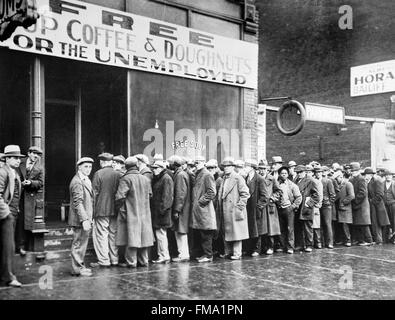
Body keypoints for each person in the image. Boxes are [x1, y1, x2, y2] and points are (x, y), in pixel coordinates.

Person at [115, 157, 154, 267]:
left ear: (126, 166)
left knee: (131, 237)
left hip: (130, 213)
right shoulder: (145, 179)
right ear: (137, 165)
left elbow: (119, 197)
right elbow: (150, 195)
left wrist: (121, 210)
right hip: (144, 213)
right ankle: (144, 261)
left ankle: (131, 262)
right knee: (144, 237)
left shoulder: (125, 179)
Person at [0, 145, 25, 287]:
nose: (18, 161)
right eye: (15, 158)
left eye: (19, 158)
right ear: (7, 158)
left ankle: (6, 275)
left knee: (7, 246)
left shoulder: (13, 172)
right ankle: (9, 278)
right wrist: (7, 214)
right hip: (5, 215)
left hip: (13, 213)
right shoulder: (3, 172)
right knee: (8, 247)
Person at [90, 153, 121, 268]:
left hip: (102, 209)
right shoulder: (118, 174)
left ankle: (104, 260)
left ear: (102, 162)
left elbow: (94, 194)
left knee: (101, 235)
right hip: (115, 209)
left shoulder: (98, 173)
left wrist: (92, 213)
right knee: (113, 235)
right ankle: (114, 259)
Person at [217, 157, 250, 260]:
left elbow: (245, 194)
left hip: (234, 209)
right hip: (225, 209)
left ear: (232, 167)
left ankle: (237, 253)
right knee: (226, 231)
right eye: (224, 166)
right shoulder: (223, 178)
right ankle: (228, 252)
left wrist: (239, 207)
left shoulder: (238, 178)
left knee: (236, 232)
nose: (226, 168)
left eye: (228, 166)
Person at [68, 157, 94, 277]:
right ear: (79, 167)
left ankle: (80, 266)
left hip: (85, 218)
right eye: (85, 167)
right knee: (78, 243)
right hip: (80, 219)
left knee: (82, 243)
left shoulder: (85, 179)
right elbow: (78, 203)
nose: (88, 169)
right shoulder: (77, 181)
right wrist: (84, 219)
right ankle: (77, 268)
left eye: (90, 167)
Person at [16, 146, 44, 256]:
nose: (36, 156)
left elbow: (41, 183)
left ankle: (22, 246)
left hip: (28, 197)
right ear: (29, 153)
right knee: (15, 221)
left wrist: (31, 183)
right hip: (16, 195)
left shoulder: (40, 167)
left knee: (25, 222)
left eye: (38, 155)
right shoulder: (20, 162)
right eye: (34, 153)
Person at [190, 156, 217, 263]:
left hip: (204, 210)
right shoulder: (199, 174)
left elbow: (212, 192)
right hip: (200, 210)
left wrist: (201, 201)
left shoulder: (206, 175)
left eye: (198, 162)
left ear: (203, 163)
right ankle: (205, 254)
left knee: (206, 233)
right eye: (195, 163)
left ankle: (208, 255)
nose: (196, 164)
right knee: (202, 233)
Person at [150, 160, 174, 264]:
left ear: (161, 168)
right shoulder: (162, 178)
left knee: (161, 235)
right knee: (160, 235)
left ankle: (164, 256)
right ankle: (162, 255)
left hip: (162, 213)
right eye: (153, 168)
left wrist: (162, 210)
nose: (154, 170)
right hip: (160, 212)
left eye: (156, 168)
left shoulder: (165, 178)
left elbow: (167, 197)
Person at [258, 158, 282, 255]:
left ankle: (270, 247)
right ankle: (262, 247)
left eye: (264, 169)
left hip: (270, 207)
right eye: (260, 168)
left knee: (271, 228)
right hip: (260, 206)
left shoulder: (272, 179)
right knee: (262, 228)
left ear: (267, 169)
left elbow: (279, 191)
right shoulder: (257, 179)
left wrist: (273, 198)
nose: (262, 170)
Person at [276, 166, 302, 254]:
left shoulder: (292, 185)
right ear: (279, 174)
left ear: (288, 174)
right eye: (282, 173)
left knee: (290, 228)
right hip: (279, 209)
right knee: (281, 228)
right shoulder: (276, 184)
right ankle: (283, 246)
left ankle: (290, 247)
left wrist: (293, 206)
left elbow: (299, 197)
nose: (283, 175)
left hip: (288, 209)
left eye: (285, 173)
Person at [171, 155, 191, 262]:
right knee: (180, 231)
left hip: (181, 208)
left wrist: (177, 210)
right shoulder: (181, 174)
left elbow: (180, 194)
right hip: (183, 207)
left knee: (181, 231)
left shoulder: (180, 175)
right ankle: (182, 253)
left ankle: (183, 254)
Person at [296, 164, 321, 252]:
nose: (299, 174)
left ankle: (309, 245)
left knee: (308, 227)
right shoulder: (296, 180)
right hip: (298, 208)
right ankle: (301, 244)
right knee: (299, 227)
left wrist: (308, 204)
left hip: (306, 208)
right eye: (297, 172)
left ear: (304, 172)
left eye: (300, 172)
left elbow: (316, 196)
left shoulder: (310, 181)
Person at [244, 159, 265, 256]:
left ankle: (256, 249)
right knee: (250, 228)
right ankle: (249, 248)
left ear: (252, 168)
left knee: (257, 229)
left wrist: (258, 207)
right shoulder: (246, 178)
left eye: (247, 166)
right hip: (248, 208)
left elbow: (264, 196)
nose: (245, 168)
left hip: (255, 208)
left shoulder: (259, 179)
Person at [349, 162, 373, 246]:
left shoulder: (361, 179)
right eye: (352, 171)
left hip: (362, 205)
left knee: (364, 224)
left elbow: (363, 193)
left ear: (358, 171)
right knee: (358, 223)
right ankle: (361, 240)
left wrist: (355, 201)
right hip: (357, 204)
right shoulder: (352, 179)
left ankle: (369, 240)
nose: (353, 172)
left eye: (355, 170)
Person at [364, 167, 390, 245]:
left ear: (371, 175)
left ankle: (379, 240)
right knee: (374, 222)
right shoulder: (369, 181)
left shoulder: (376, 181)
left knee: (377, 222)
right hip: (373, 205)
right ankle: (377, 239)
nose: (366, 176)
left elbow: (380, 194)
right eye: (366, 174)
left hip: (377, 205)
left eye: (367, 174)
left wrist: (372, 201)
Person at [333, 170, 355, 246]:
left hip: (346, 208)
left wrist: (343, 202)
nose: (336, 180)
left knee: (346, 224)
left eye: (337, 178)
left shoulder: (348, 184)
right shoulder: (339, 185)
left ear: (341, 177)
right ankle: (343, 240)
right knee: (341, 224)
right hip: (340, 208)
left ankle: (348, 240)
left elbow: (351, 196)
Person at [316, 165, 335, 249]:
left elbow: (333, 195)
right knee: (318, 225)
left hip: (326, 206)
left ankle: (330, 242)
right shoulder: (314, 182)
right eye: (317, 172)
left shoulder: (327, 181)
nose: (318, 174)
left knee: (327, 224)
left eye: (320, 172)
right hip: (317, 206)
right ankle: (320, 242)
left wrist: (329, 203)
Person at [383, 169, 395, 243]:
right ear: (385, 176)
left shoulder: (394, 184)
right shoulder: (382, 183)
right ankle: (386, 238)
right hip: (384, 205)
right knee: (385, 221)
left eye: (389, 175)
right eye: (387, 175)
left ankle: (394, 238)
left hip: (393, 205)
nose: (388, 177)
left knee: (394, 221)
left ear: (392, 176)